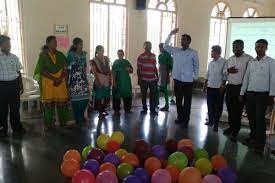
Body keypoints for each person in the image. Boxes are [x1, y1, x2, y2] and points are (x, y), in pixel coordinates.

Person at [240, 39, 275, 152]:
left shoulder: (271, 62)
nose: (259, 49)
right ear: (255, 48)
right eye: (258, 47)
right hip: (250, 94)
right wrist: (242, 93)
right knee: (251, 118)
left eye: (262, 47)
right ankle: (253, 138)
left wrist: (272, 95)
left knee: (259, 120)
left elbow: (273, 79)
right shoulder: (251, 62)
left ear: (266, 48)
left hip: (262, 96)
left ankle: (260, 143)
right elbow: (246, 78)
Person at [164, 28, 199, 128]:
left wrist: (195, 77)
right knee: (178, 101)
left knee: (187, 102)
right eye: (181, 39)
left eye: (184, 39)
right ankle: (180, 118)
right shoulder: (176, 50)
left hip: (188, 81)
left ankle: (186, 120)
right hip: (178, 80)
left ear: (188, 41)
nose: (181, 41)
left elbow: (196, 66)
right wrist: (171, 34)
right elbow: (165, 46)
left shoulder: (193, 52)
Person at [34, 36, 69, 130]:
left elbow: (65, 68)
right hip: (48, 83)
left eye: (56, 41)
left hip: (60, 82)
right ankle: (49, 124)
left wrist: (60, 78)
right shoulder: (43, 56)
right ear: (48, 43)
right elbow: (42, 70)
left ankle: (63, 122)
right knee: (49, 105)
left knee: (61, 104)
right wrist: (54, 79)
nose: (56, 43)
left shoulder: (60, 54)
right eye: (53, 42)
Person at [223, 40, 253, 140]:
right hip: (230, 87)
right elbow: (223, 72)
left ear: (242, 46)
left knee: (237, 111)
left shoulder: (249, 59)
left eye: (238, 46)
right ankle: (231, 127)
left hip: (240, 88)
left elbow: (250, 75)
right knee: (230, 109)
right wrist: (228, 71)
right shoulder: (230, 59)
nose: (235, 48)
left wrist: (244, 91)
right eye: (234, 46)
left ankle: (236, 131)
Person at [0, 35, 25, 137]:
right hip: (2, 86)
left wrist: (20, 84)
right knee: (2, 109)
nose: (9, 45)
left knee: (15, 108)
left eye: (9, 43)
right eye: (7, 43)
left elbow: (18, 71)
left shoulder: (14, 57)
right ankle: (2, 130)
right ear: (1, 45)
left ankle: (17, 128)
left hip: (14, 84)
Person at [67, 38, 90, 125]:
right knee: (75, 100)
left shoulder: (84, 54)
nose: (82, 46)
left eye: (82, 44)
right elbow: (66, 67)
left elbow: (85, 67)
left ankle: (80, 116)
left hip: (82, 79)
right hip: (73, 79)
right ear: (75, 45)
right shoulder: (70, 54)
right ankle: (78, 119)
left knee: (85, 99)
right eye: (80, 44)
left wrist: (85, 78)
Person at [204, 45, 227, 132]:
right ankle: (210, 121)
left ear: (217, 52)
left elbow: (225, 75)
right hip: (210, 87)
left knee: (218, 107)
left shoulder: (224, 62)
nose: (211, 53)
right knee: (210, 105)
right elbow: (208, 74)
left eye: (212, 51)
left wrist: (222, 86)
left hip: (219, 88)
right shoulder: (211, 63)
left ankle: (216, 124)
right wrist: (205, 85)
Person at [137, 41, 159, 115]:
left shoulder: (153, 56)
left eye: (149, 46)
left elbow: (154, 67)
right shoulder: (141, 56)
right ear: (144, 47)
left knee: (153, 94)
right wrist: (139, 79)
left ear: (151, 47)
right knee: (144, 94)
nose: (148, 47)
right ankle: (144, 107)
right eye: (146, 46)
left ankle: (152, 108)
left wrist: (157, 76)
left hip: (153, 79)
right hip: (144, 79)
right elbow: (139, 68)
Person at [90, 45, 111, 119]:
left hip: (106, 78)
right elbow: (94, 72)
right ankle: (100, 113)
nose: (102, 51)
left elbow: (109, 69)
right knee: (99, 97)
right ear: (97, 51)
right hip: (99, 78)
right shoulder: (93, 60)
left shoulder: (106, 58)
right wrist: (98, 82)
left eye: (103, 50)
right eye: (101, 50)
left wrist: (110, 78)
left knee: (107, 97)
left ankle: (102, 109)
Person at [112, 50, 133, 114]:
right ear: (117, 55)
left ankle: (127, 109)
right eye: (119, 54)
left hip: (126, 82)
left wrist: (129, 69)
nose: (120, 55)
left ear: (123, 54)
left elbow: (132, 70)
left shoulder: (126, 62)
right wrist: (114, 82)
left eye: (121, 54)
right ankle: (116, 110)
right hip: (118, 82)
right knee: (117, 96)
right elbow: (113, 72)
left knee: (127, 95)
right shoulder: (115, 62)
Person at [158, 43, 173, 111]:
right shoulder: (160, 55)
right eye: (159, 48)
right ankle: (157, 103)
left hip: (165, 73)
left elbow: (170, 66)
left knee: (164, 89)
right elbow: (160, 65)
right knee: (159, 88)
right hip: (160, 73)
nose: (160, 49)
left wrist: (169, 74)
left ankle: (167, 105)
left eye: (161, 47)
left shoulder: (168, 55)